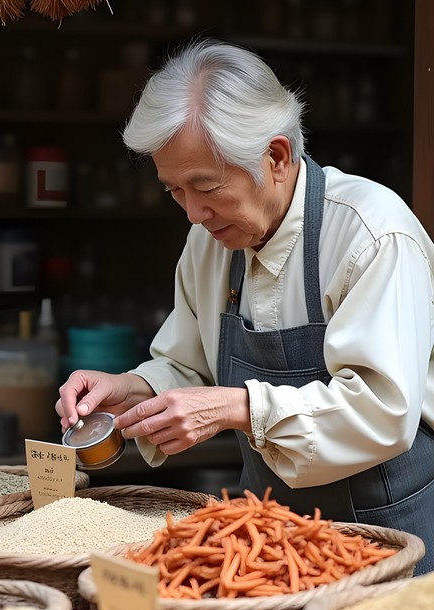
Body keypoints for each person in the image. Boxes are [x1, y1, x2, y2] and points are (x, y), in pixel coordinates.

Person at [56, 38, 434, 574]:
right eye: (174, 191)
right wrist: (131, 389)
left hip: (387, 539)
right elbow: (189, 366)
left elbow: (383, 410)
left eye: (205, 186)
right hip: (264, 540)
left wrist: (239, 409)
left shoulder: (371, 233)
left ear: (276, 157)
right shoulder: (212, 239)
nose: (192, 213)